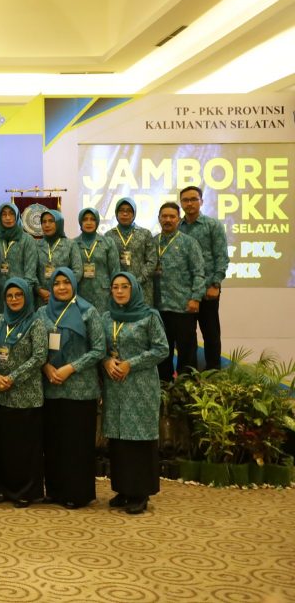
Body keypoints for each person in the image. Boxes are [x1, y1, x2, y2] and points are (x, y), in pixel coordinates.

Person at [102, 272, 169, 515]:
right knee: (119, 439)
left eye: (125, 287)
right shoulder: (106, 317)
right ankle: (123, 489)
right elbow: (101, 347)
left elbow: (162, 349)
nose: (119, 291)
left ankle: (140, 493)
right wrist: (106, 361)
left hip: (140, 386)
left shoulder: (149, 317)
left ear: (134, 290)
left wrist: (131, 363)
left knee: (139, 439)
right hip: (115, 387)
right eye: (115, 287)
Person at [39, 268, 105, 509]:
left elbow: (99, 349)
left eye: (66, 282)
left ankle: (77, 493)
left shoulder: (88, 312)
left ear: (74, 285)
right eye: (56, 283)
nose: (61, 287)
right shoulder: (42, 313)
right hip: (51, 387)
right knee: (54, 442)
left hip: (80, 388)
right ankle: (55, 490)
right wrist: (46, 367)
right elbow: (35, 346)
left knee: (76, 444)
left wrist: (71, 368)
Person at [0, 278, 47, 508]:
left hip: (27, 395)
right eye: (9, 296)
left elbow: (39, 356)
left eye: (19, 295)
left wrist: (12, 377)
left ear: (26, 296)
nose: (14, 299)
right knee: (4, 446)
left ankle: (27, 491)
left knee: (26, 447)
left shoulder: (36, 323)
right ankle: (5, 489)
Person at [178, 186, 230, 371]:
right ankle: (188, 376)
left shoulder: (212, 225)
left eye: (194, 199)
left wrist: (216, 284)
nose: (190, 203)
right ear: (181, 203)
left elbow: (221, 256)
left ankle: (213, 374)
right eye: (185, 200)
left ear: (201, 201)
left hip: (208, 289)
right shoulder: (177, 227)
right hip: (183, 292)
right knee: (186, 337)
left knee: (211, 334)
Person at [153, 202, 205, 382]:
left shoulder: (189, 243)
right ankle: (164, 389)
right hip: (158, 308)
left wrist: (195, 298)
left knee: (187, 352)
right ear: (159, 218)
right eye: (164, 216)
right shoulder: (152, 243)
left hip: (183, 307)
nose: (168, 220)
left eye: (172, 216)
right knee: (162, 352)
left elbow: (199, 272)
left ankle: (185, 391)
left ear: (178, 219)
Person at [107, 198, 157, 306]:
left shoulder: (145, 234)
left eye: (129, 211)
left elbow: (152, 261)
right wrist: (117, 283)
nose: (125, 214)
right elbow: (107, 263)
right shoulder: (109, 235)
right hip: (118, 289)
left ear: (134, 214)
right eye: (121, 210)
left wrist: (138, 280)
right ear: (116, 213)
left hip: (142, 287)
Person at [0, 202, 38, 312]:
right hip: (0, 296)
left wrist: (23, 293)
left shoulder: (27, 240)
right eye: (4, 214)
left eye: (11, 214)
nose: (8, 218)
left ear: (17, 216)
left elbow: (30, 273)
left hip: (21, 294)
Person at [74, 208, 120, 314]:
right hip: (81, 294)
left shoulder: (108, 242)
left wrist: (115, 291)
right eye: (85, 219)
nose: (89, 222)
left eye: (92, 219)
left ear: (97, 222)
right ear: (80, 222)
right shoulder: (73, 244)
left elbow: (115, 270)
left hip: (104, 294)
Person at [36, 210, 82, 304]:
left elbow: (77, 271)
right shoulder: (36, 245)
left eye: (51, 221)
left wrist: (61, 289)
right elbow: (31, 272)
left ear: (59, 223)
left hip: (64, 295)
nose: (47, 225)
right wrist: (39, 290)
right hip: (41, 298)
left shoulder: (70, 244)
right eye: (44, 222)